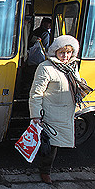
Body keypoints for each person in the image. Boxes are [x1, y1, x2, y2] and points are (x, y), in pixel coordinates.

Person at [29, 35, 93, 184]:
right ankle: (45, 172)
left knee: (54, 144)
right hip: (50, 113)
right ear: (55, 52)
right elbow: (36, 93)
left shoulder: (71, 67)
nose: (65, 56)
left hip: (66, 112)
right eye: (62, 52)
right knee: (50, 145)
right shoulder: (45, 67)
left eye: (68, 52)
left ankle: (44, 169)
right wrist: (36, 115)